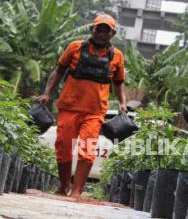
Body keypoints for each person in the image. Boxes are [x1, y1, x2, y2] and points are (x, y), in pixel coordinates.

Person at [37, 13, 127, 199]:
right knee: (63, 147)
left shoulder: (116, 56)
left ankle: (76, 190)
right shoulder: (75, 47)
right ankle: (63, 186)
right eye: (98, 29)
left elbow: (118, 83)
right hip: (69, 107)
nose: (102, 33)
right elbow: (59, 71)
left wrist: (123, 103)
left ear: (113, 34)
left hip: (95, 112)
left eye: (106, 31)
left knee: (86, 151)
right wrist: (47, 93)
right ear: (91, 29)